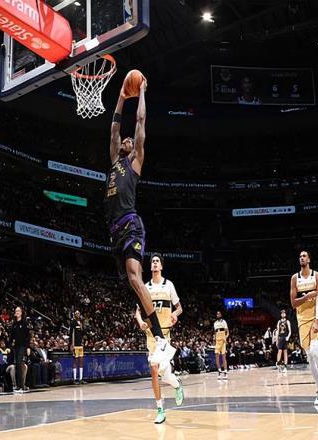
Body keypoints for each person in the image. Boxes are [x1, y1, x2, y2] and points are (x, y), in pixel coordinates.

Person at [104, 75, 175, 367]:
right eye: (125, 140)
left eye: (130, 141)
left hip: (131, 223)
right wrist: (122, 97)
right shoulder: (114, 160)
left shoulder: (135, 162)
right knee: (133, 285)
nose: (127, 139)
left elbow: (140, 122)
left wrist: (142, 91)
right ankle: (160, 339)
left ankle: (160, 338)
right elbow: (114, 128)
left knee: (135, 277)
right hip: (114, 231)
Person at [134, 253, 184, 424]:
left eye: (157, 261)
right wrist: (140, 322)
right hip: (150, 337)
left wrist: (175, 314)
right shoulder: (145, 287)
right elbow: (137, 312)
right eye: (153, 261)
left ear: (161, 266)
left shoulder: (168, 285)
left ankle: (164, 405)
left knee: (155, 368)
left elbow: (179, 308)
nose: (155, 263)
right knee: (163, 374)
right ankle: (165, 402)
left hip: (164, 336)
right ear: (150, 266)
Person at [290, 251, 318, 405]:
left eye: (304, 256)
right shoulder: (295, 278)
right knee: (309, 356)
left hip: (314, 317)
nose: (301, 258)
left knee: (314, 350)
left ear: (309, 259)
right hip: (301, 320)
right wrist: (307, 296)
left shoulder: (317, 275)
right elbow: (293, 303)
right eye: (300, 256)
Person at [9, 306, 30, 393]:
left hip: (23, 346)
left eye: (18, 311)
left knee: (19, 362)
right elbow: (11, 336)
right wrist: (9, 345)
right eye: (16, 311)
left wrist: (28, 347)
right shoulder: (14, 323)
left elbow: (28, 336)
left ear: (21, 313)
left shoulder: (24, 323)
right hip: (16, 346)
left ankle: (20, 386)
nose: (17, 312)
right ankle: (19, 385)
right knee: (17, 364)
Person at [70, 310, 86, 385]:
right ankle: (75, 379)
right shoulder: (73, 322)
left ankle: (81, 378)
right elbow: (71, 333)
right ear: (74, 315)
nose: (78, 314)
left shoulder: (81, 323)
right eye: (76, 313)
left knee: (81, 361)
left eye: (78, 313)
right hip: (75, 345)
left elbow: (83, 333)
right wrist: (71, 344)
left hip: (80, 345)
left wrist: (83, 326)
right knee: (75, 361)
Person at [214, 311, 229, 379]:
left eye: (219, 314)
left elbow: (227, 332)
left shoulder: (224, 322)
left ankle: (225, 372)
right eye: (217, 314)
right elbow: (215, 333)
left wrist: (225, 338)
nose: (218, 315)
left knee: (223, 356)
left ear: (221, 315)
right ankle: (219, 371)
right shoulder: (215, 323)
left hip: (223, 341)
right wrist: (214, 339)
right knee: (216, 356)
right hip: (217, 341)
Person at [276, 309, 292, 373]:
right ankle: (279, 365)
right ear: (281, 314)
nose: (283, 314)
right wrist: (276, 340)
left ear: (285, 314)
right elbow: (277, 331)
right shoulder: (279, 322)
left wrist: (288, 337)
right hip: (280, 338)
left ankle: (285, 366)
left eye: (284, 313)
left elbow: (290, 331)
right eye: (282, 313)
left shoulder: (287, 321)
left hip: (285, 338)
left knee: (285, 352)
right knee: (279, 351)